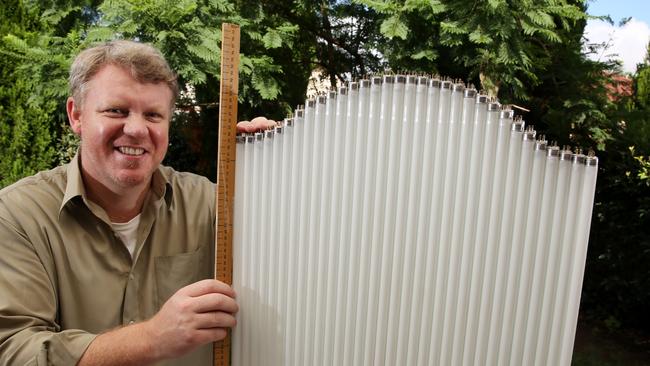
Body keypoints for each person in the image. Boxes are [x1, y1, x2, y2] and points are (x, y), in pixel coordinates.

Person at [0, 40, 275, 365]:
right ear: (76, 116)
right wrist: (152, 338)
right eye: (116, 110)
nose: (136, 129)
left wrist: (273, 173)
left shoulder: (213, 205)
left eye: (153, 115)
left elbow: (291, 258)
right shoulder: (18, 215)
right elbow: (16, 351)